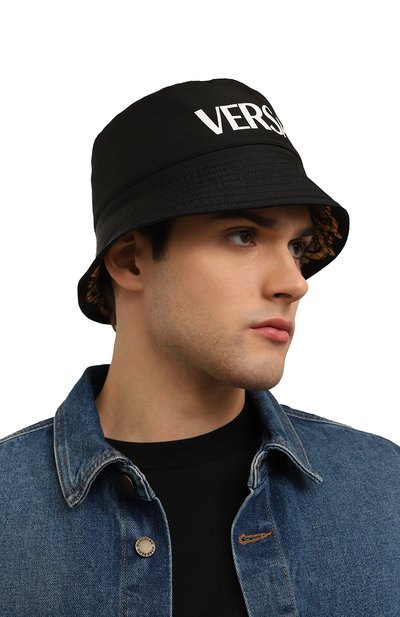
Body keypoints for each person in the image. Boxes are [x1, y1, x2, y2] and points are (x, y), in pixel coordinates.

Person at [0, 78, 398, 617]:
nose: (295, 282)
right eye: (242, 235)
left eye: (297, 246)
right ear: (131, 261)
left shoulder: (384, 488)